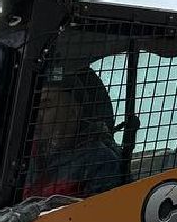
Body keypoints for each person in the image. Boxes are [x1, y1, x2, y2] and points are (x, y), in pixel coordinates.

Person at [23, 68, 123, 201]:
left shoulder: (99, 160)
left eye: (46, 108)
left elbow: (98, 215)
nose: (36, 117)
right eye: (34, 108)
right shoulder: (24, 154)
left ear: (73, 112)